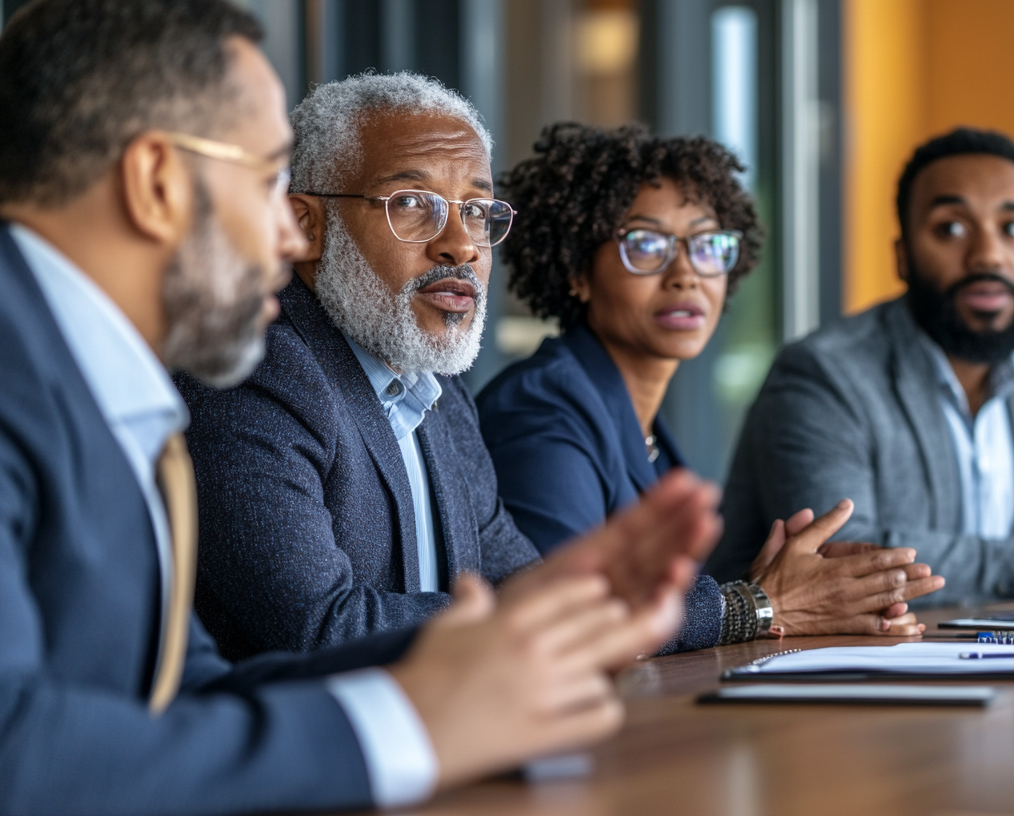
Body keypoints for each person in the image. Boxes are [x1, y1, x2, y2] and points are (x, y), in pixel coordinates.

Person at [0, 3, 717, 813]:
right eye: (270, 179)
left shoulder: (96, 381)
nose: (289, 234)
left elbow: (181, 689)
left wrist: (520, 639)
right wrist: (412, 724)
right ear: (158, 181)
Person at [177, 76, 783, 657]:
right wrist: (743, 607)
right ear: (304, 224)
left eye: (477, 211)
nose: (460, 245)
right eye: (412, 204)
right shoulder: (256, 371)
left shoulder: (440, 393)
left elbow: (529, 584)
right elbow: (325, 627)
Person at [478, 122, 945, 638]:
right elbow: (566, 620)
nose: (685, 273)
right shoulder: (540, 412)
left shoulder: (650, 431)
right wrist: (763, 603)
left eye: (706, 244)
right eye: (646, 244)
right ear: (577, 271)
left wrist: (786, 592)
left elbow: (664, 619)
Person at [710, 127, 1014, 604]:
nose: (988, 254)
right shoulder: (823, 374)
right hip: (842, 673)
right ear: (902, 256)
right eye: (951, 228)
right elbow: (832, 563)